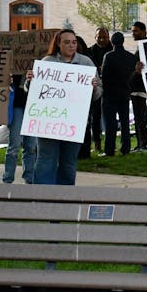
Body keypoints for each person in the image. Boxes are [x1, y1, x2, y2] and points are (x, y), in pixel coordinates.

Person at [27, 29, 101, 185]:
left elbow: (97, 95)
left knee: (68, 162)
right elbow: (31, 91)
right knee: (46, 160)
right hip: (48, 122)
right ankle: (43, 198)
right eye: (66, 42)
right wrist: (30, 81)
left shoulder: (86, 63)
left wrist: (94, 87)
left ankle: (65, 199)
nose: (71, 45)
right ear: (58, 44)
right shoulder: (48, 62)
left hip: (74, 122)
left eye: (74, 42)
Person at [100, 31, 135, 157]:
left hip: (110, 93)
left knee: (110, 123)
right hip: (124, 93)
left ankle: (109, 149)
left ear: (112, 42)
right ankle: (125, 148)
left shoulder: (109, 56)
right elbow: (132, 75)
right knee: (125, 122)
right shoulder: (131, 57)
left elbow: (104, 76)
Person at [2, 72, 37, 184]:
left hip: (34, 106)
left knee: (31, 145)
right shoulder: (14, 61)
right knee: (15, 144)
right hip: (17, 104)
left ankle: (29, 178)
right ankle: (8, 179)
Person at [128, 21, 147, 152]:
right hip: (138, 87)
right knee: (139, 117)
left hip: (141, 87)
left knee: (140, 116)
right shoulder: (141, 46)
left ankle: (144, 143)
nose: (133, 34)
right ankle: (141, 143)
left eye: (136, 31)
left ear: (144, 31)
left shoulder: (146, 46)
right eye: (132, 31)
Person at [87, 27, 112, 153]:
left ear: (109, 37)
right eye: (99, 37)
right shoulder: (90, 51)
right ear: (95, 37)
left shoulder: (113, 50)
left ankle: (109, 144)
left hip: (110, 89)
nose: (101, 39)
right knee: (95, 117)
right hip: (95, 88)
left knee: (110, 117)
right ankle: (97, 143)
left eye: (104, 37)